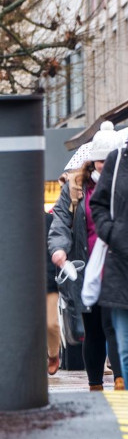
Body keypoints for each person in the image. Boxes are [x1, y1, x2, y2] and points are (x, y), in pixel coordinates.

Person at [52, 122, 125, 391]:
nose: (103, 166)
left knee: (113, 326)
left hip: (117, 268)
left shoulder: (124, 184)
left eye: (108, 161)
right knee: (93, 329)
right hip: (86, 271)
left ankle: (120, 380)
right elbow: (60, 222)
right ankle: (95, 385)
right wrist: (59, 248)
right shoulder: (75, 188)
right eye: (98, 161)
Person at [89, 127, 128, 388]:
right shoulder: (118, 161)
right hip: (114, 269)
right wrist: (111, 232)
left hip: (114, 268)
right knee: (121, 347)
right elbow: (98, 206)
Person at [45, 208, 61, 375]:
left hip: (48, 279)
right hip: (23, 282)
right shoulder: (14, 221)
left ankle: (53, 354)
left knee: (51, 323)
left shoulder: (50, 221)